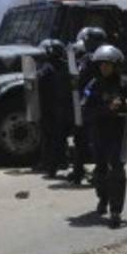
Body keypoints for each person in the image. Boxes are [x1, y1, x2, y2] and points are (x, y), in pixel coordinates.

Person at [82, 44, 127, 228]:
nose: (104, 68)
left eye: (108, 64)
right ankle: (103, 199)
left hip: (119, 133)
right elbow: (85, 109)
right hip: (99, 132)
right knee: (100, 171)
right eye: (102, 64)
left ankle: (116, 210)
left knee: (118, 172)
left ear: (116, 66)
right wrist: (106, 108)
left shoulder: (126, 84)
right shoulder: (92, 85)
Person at [67, 26, 108, 184]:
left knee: (88, 140)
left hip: (90, 106)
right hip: (92, 105)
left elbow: (80, 78)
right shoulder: (103, 58)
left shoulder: (90, 59)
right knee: (87, 139)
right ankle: (82, 171)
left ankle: (90, 173)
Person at [35, 38, 72, 178]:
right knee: (60, 138)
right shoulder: (67, 66)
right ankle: (62, 162)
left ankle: (50, 166)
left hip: (51, 108)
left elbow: (39, 80)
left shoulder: (47, 67)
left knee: (50, 138)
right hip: (64, 108)